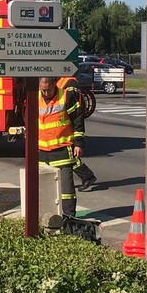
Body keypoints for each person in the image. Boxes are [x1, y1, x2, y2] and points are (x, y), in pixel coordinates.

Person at [38, 76, 84, 217]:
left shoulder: (66, 96)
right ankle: (47, 218)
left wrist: (78, 144)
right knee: (44, 190)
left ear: (54, 84)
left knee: (67, 190)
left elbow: (78, 119)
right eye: (43, 90)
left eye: (48, 89)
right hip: (42, 152)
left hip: (63, 149)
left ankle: (69, 217)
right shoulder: (35, 98)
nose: (46, 93)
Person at [57, 74, 98, 190]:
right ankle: (87, 176)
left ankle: (87, 176)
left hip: (68, 124)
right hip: (64, 124)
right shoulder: (62, 80)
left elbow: (73, 108)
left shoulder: (70, 83)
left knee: (68, 155)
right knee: (66, 155)